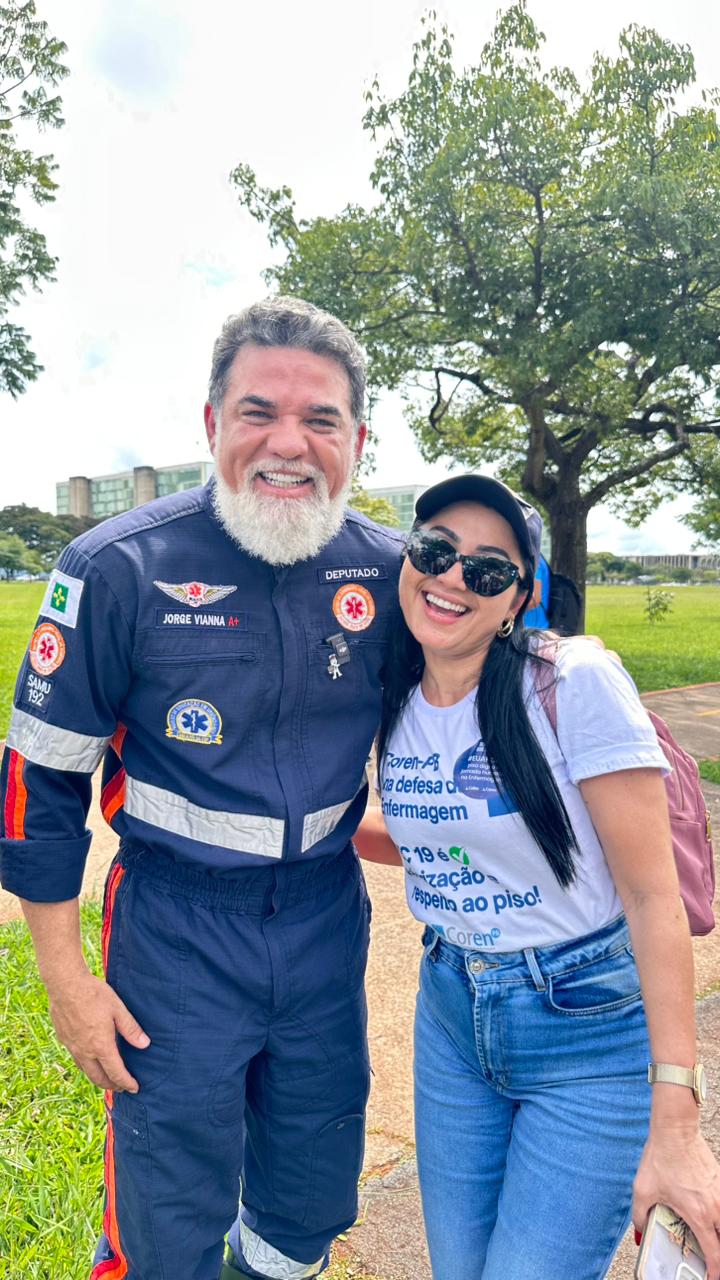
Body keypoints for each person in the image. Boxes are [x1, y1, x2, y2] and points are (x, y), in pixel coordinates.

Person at [0, 297, 405, 1280]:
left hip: (323, 922)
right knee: (168, 1206)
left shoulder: (389, 575)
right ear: (213, 422)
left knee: (310, 1196)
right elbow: (37, 782)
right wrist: (66, 981)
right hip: (175, 934)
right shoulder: (116, 567)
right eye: (259, 411)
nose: (288, 443)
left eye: (320, 419)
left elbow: (466, 711)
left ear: (357, 441)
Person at [354, 473, 720, 1280]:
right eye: (436, 550)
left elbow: (652, 897)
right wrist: (290, 826)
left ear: (519, 598)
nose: (453, 578)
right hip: (452, 1016)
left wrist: (678, 1125)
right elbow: (440, 844)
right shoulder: (396, 696)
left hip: (588, 1028)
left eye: (488, 569)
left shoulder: (572, 682)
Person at [523, 550, 550, 627]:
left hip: (534, 628)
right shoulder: (533, 557)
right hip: (528, 626)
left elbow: (534, 600)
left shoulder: (535, 561)